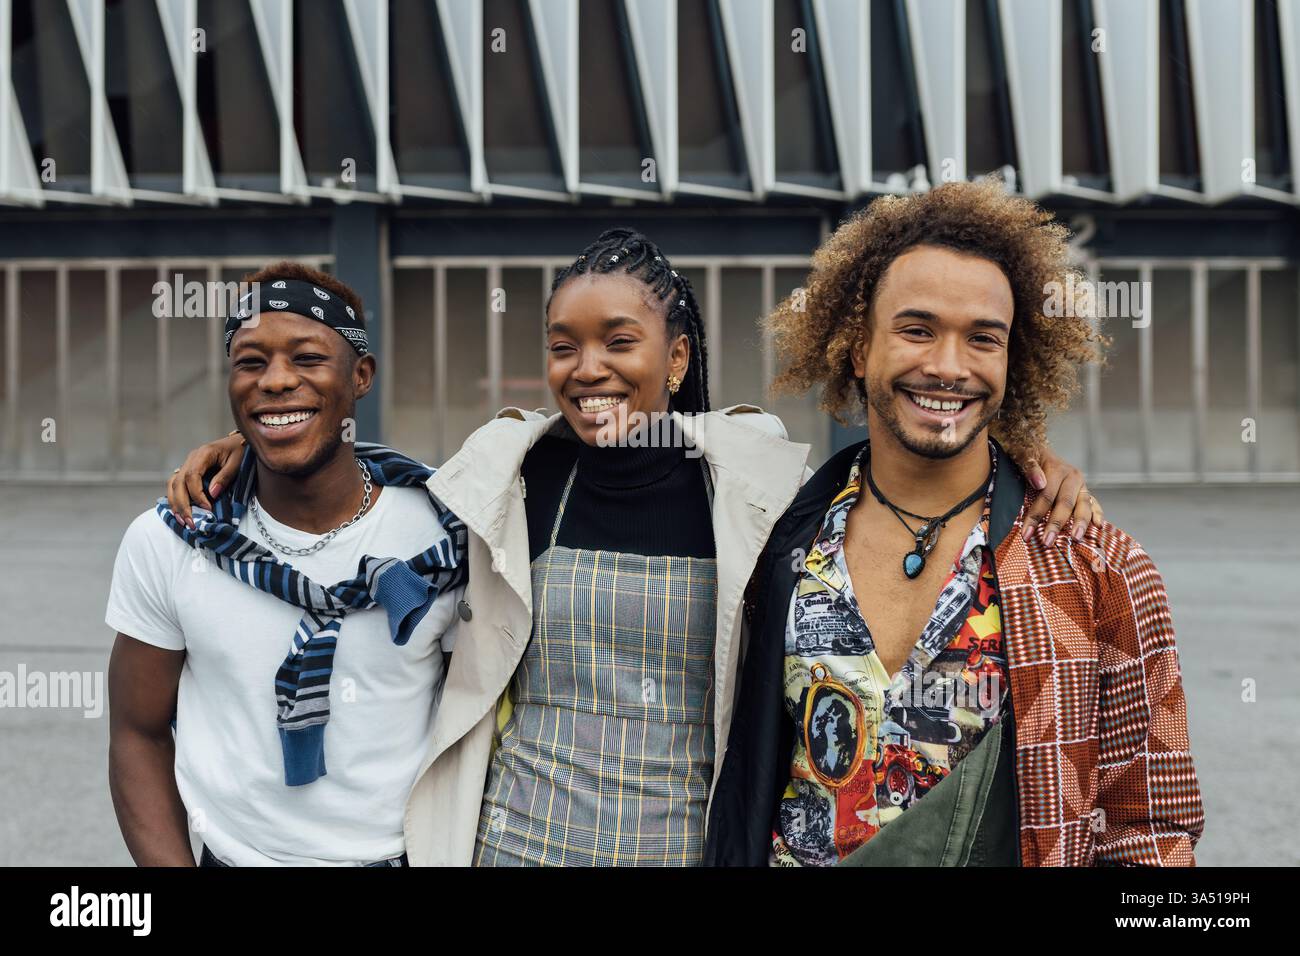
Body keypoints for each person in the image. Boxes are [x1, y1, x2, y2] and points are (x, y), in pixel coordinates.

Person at [164, 229, 1099, 866]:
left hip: (681, 846)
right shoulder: (507, 478)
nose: (590, 368)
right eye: (564, 345)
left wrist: (1024, 463)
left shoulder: (762, 490)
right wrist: (249, 453)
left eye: (620, 340)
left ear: (677, 357)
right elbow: (369, 478)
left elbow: (902, 461)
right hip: (513, 845)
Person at [704, 180, 1205, 867]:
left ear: (1011, 360)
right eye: (916, 329)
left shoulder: (1100, 569)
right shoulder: (771, 542)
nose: (947, 366)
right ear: (858, 350)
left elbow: (1151, 828)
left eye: (982, 339)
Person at [106, 262, 466, 866]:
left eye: (306, 358)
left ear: (361, 375)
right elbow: (136, 734)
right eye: (251, 362)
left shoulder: (447, 537)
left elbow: (481, 730)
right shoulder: (175, 540)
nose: (274, 381)